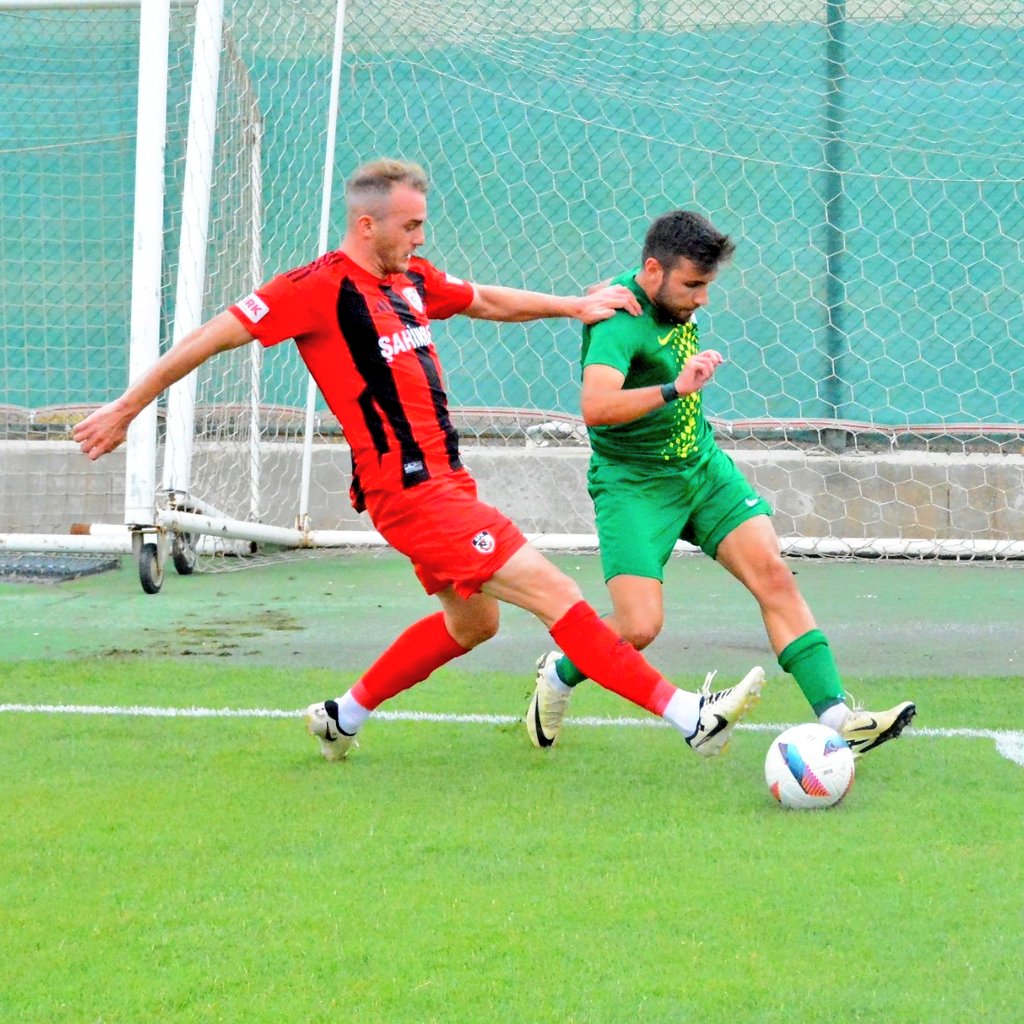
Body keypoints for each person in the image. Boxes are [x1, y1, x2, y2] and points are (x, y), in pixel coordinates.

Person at [73, 159, 765, 762]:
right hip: (409, 494)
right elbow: (209, 338)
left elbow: (485, 299)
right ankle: (689, 718)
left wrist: (573, 306)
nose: (421, 237)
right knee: (556, 594)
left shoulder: (410, 280)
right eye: (409, 226)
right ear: (367, 225)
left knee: (475, 625)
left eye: (422, 224)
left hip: (445, 483)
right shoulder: (313, 287)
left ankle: (344, 716)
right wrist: (130, 409)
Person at [526, 209, 916, 756]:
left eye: (707, 285)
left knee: (774, 576)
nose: (702, 299)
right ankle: (561, 673)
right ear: (654, 270)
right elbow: (594, 407)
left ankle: (837, 717)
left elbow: (640, 294)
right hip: (635, 483)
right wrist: (674, 389)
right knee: (638, 626)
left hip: (701, 469)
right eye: (693, 285)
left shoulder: (663, 292)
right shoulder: (617, 320)